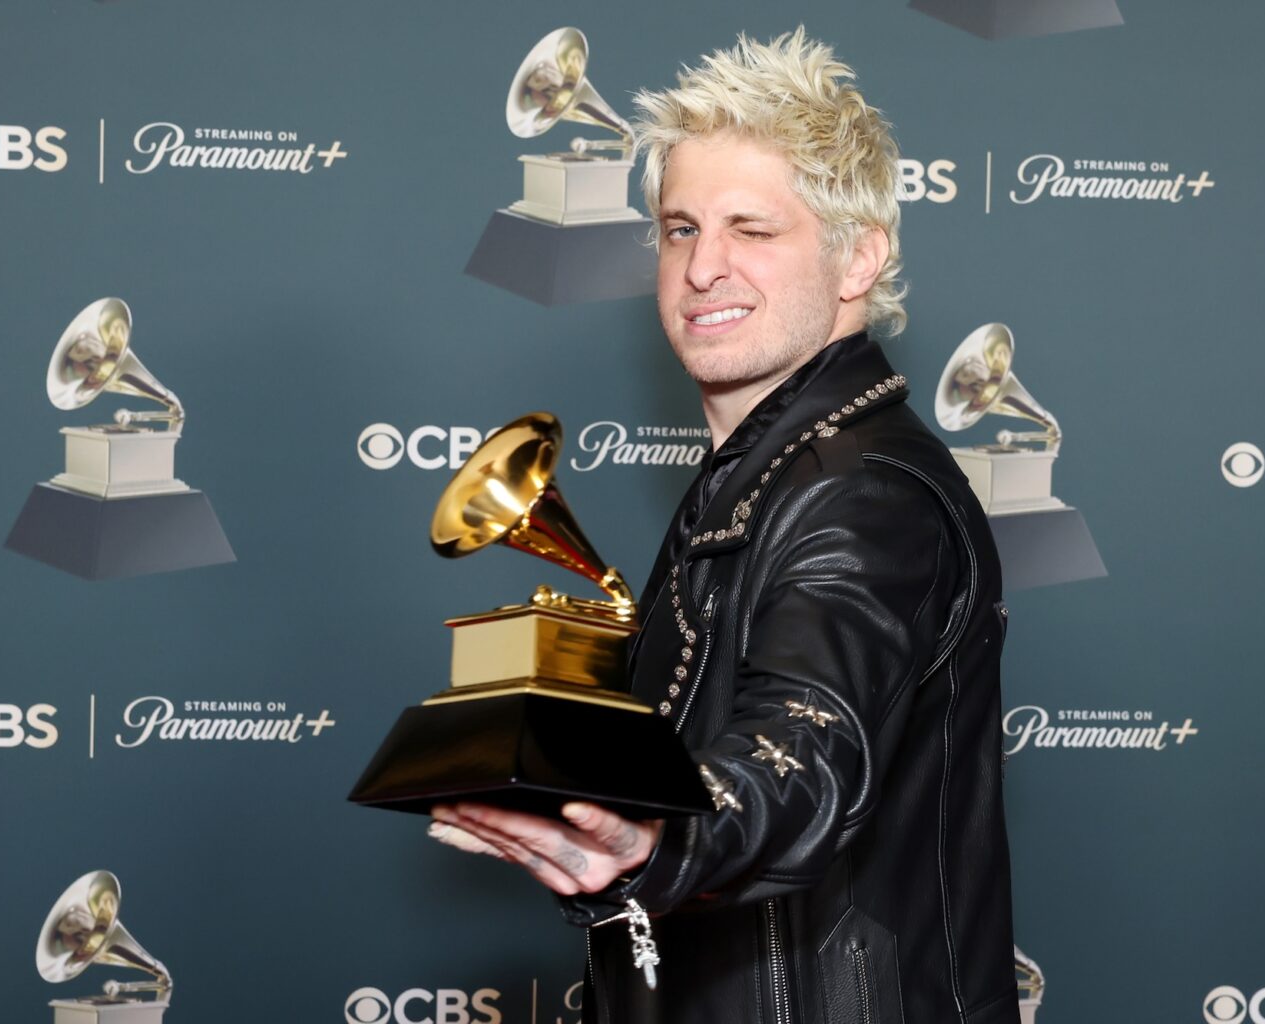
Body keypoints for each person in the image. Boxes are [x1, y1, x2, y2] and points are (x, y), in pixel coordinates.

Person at [430, 28, 1017, 1024]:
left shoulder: (865, 496)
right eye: (679, 228)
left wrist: (668, 837)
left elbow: (807, 743)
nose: (704, 267)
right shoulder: (761, 475)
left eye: (753, 229)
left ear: (858, 255)